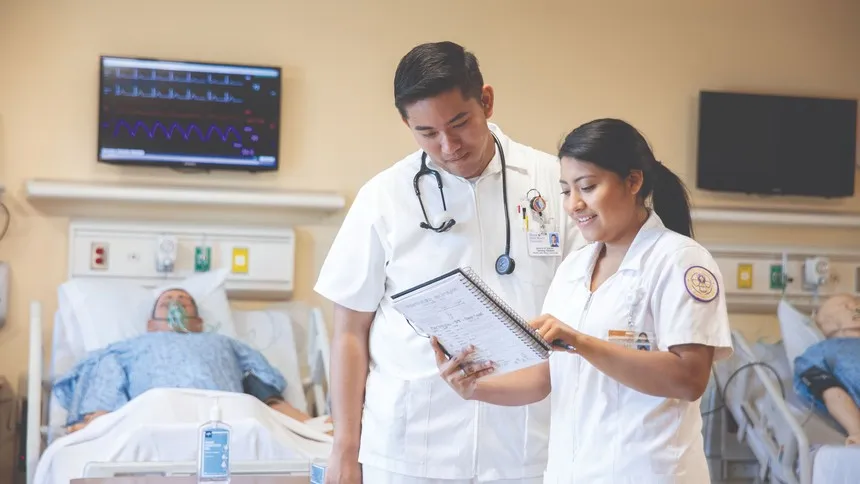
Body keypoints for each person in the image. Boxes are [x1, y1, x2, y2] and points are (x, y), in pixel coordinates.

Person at [314, 41, 584, 484]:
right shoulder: (383, 198)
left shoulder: (555, 185)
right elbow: (349, 332)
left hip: (529, 448)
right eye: (427, 132)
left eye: (460, 122)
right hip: (408, 448)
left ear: (487, 101)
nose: (448, 144)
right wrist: (345, 448)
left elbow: (584, 315)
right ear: (407, 123)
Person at [435, 118, 733, 483]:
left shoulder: (680, 260)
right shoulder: (575, 267)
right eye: (565, 190)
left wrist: (580, 342)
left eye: (588, 187)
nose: (574, 204)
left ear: (634, 181)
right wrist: (475, 388)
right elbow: (547, 378)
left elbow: (689, 378)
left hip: (647, 472)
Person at [54, 288, 316, 432]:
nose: (175, 302)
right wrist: (99, 418)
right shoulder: (128, 348)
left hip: (226, 416)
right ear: (150, 324)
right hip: (155, 415)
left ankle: (301, 425)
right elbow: (104, 378)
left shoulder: (223, 343)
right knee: (103, 420)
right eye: (166, 300)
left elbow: (260, 377)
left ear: (199, 322)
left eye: (184, 300)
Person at [794, 293, 860, 446]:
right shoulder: (818, 353)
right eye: (846, 305)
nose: (856, 307)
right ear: (826, 324)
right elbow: (831, 392)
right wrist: (856, 430)